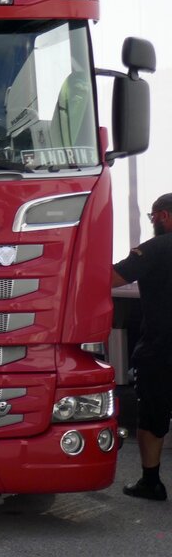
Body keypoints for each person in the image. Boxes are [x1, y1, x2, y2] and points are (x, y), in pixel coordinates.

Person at [111, 193, 172, 501]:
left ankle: (151, 481)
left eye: (152, 218)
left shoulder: (154, 249)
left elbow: (110, 278)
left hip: (162, 347)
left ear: (163, 216)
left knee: (152, 414)